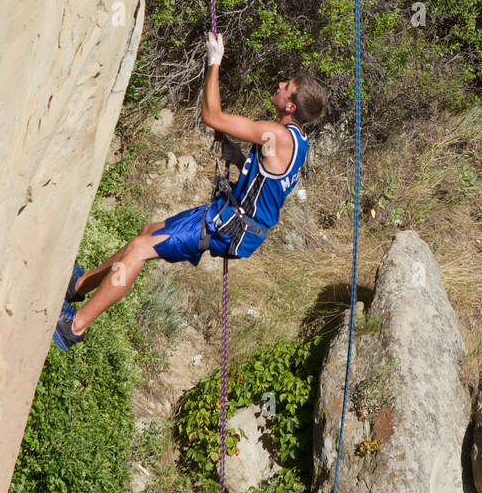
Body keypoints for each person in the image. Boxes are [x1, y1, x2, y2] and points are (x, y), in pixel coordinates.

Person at [53, 33, 327, 350]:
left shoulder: (276, 134)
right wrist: (238, 158)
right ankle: (79, 286)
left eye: (286, 88)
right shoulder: (298, 140)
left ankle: (74, 326)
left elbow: (213, 116)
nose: (280, 85)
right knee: (147, 232)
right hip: (234, 218)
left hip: (230, 226)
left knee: (141, 249)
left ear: (290, 106)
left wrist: (214, 62)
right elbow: (269, 186)